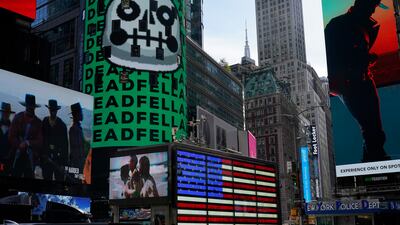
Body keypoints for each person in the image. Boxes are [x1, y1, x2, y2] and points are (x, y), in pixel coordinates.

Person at [325, 0, 390, 162]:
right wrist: (359, 61)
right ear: (362, 3)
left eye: (375, 7)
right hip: (350, 84)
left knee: (373, 130)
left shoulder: (366, 25)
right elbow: (334, 58)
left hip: (365, 80)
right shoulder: (337, 25)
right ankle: (375, 162)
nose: (373, 11)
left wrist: (366, 58)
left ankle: (372, 164)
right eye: (372, 6)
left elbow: (358, 52)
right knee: (371, 130)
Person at [8, 94, 43, 178]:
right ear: (26, 106)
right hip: (16, 156)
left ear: (34, 107)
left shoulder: (38, 122)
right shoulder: (17, 118)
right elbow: (11, 136)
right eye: (29, 106)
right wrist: (19, 144)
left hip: (30, 158)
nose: (30, 108)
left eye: (32, 106)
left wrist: (28, 143)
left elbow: (40, 141)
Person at [42, 99, 68, 181]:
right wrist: (42, 157)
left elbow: (65, 146)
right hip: (46, 159)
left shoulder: (62, 125)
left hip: (58, 161)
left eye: (54, 110)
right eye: (51, 109)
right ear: (49, 110)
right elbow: (42, 140)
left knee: (59, 182)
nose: (53, 111)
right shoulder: (44, 122)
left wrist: (63, 164)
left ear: (57, 110)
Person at [69, 103, 85, 172]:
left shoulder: (77, 128)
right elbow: (75, 149)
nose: (82, 114)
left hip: (80, 162)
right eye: (80, 112)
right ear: (77, 115)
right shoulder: (73, 129)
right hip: (77, 163)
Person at [0, 102, 15, 174]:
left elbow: (14, 144)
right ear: (1, 112)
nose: (5, 114)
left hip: (8, 160)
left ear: (9, 114)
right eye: (4, 112)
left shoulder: (13, 128)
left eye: (7, 112)